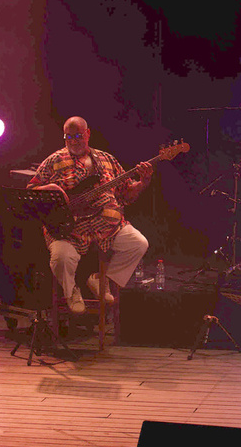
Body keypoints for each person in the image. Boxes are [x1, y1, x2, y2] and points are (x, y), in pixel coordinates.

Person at [27, 116, 152, 314]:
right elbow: (31, 189)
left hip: (108, 227)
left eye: (78, 136)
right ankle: (71, 292)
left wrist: (143, 182)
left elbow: (127, 194)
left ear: (88, 133)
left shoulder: (106, 159)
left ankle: (103, 281)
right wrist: (51, 187)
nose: (74, 141)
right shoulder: (55, 160)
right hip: (69, 229)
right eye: (69, 137)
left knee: (138, 243)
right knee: (60, 259)